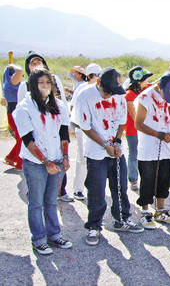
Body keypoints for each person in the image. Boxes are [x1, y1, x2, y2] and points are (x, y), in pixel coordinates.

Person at [73, 67, 144, 246]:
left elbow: (121, 122)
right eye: (107, 91)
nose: (110, 95)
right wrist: (105, 145)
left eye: (114, 92)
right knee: (96, 190)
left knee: (119, 186)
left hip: (115, 150)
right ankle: (94, 226)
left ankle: (122, 219)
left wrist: (118, 142)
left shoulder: (118, 95)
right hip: (96, 152)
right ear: (98, 83)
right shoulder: (85, 96)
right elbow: (85, 126)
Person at [12, 68, 72, 255]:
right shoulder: (24, 107)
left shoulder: (60, 105)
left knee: (52, 201)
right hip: (36, 163)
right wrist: (46, 162)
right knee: (36, 202)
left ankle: (54, 234)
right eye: (41, 83)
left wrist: (65, 157)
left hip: (56, 160)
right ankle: (39, 239)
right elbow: (28, 140)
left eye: (48, 83)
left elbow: (64, 133)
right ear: (33, 85)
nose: (45, 86)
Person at [16, 51, 73, 202]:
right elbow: (22, 110)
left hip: (54, 134)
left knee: (53, 189)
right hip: (35, 139)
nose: (36, 65)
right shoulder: (24, 86)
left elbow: (61, 104)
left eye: (38, 62)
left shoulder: (54, 81)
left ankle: (62, 191)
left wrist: (64, 127)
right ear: (28, 67)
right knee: (37, 193)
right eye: (32, 63)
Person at [135, 72, 170, 229]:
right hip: (149, 144)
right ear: (159, 86)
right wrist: (159, 135)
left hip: (167, 144)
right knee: (148, 178)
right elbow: (138, 124)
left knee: (164, 177)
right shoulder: (145, 97)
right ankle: (145, 212)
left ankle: (160, 210)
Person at [69, 63, 102, 200]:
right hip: (83, 129)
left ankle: (93, 187)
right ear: (93, 76)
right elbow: (73, 109)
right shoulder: (82, 88)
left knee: (95, 158)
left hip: (96, 130)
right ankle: (78, 188)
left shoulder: (99, 89)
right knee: (82, 158)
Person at [123, 66, 153, 191]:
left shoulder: (143, 90)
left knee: (145, 154)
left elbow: (155, 84)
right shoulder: (129, 95)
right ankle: (133, 179)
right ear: (138, 82)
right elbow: (134, 116)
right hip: (133, 130)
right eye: (145, 80)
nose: (148, 82)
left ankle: (147, 178)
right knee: (134, 154)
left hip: (144, 129)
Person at [2, 63, 24, 170]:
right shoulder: (12, 83)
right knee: (21, 138)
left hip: (12, 113)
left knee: (21, 138)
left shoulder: (7, 84)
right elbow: (19, 71)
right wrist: (12, 65)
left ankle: (11, 158)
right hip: (14, 114)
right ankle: (19, 163)